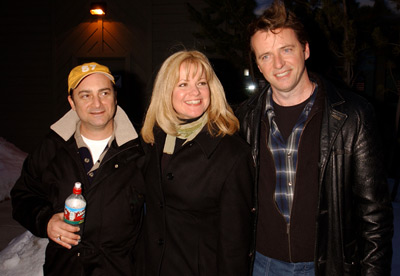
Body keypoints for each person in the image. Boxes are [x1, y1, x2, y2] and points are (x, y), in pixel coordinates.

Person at [235, 1, 394, 275]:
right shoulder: (242, 119)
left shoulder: (352, 116)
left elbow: (374, 217)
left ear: (305, 49)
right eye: (265, 56)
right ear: (258, 65)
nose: (278, 64)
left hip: (327, 265)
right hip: (261, 265)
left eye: (286, 50)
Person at [11, 62, 145, 275]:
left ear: (115, 97)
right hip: (65, 268)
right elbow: (23, 196)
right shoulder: (52, 147)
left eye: (104, 92)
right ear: (71, 102)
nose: (97, 103)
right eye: (85, 95)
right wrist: (45, 221)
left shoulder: (142, 149)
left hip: (121, 269)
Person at [140, 50, 254, 275]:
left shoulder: (233, 154)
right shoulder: (152, 140)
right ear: (166, 91)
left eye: (202, 83)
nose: (195, 92)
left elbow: (235, 245)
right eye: (183, 84)